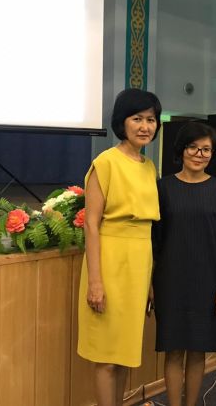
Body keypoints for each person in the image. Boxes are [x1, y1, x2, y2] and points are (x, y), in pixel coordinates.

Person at [78, 88, 162, 406]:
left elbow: (150, 230)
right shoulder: (105, 162)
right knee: (107, 355)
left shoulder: (149, 166)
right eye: (137, 118)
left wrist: (150, 280)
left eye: (151, 119)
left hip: (139, 263)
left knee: (126, 353)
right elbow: (91, 224)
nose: (145, 126)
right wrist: (95, 282)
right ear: (122, 122)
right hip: (110, 261)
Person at [152, 121, 216, 406]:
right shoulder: (163, 188)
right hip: (170, 281)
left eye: (206, 150)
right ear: (181, 150)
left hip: (207, 281)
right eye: (193, 147)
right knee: (173, 350)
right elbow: (154, 242)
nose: (199, 154)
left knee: (198, 350)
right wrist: (150, 284)